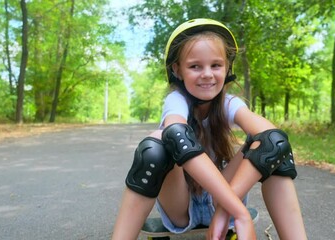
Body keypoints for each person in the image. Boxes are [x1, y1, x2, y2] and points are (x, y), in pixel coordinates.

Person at [112, 18, 307, 240]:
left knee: (275, 147)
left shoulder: (229, 103)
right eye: (195, 66)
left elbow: (274, 139)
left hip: (223, 199)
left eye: (215, 65)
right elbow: (176, 134)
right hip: (182, 207)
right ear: (177, 70)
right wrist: (240, 213)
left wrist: (227, 208)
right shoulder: (176, 101)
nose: (207, 74)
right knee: (158, 143)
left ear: (227, 68)